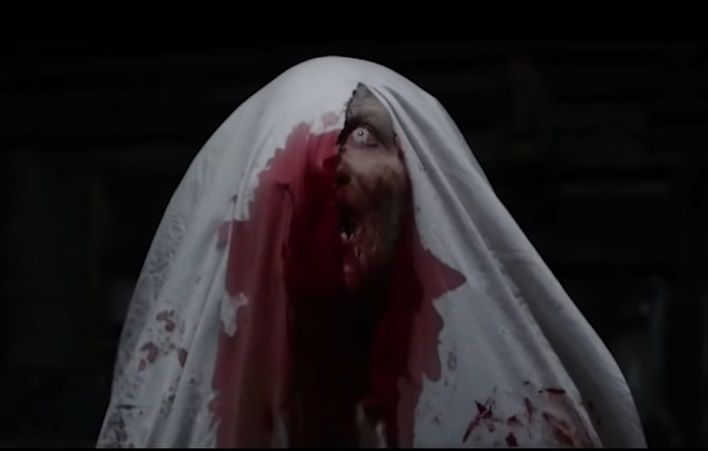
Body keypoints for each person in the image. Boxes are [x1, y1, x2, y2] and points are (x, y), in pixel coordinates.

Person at [97, 56, 647, 448]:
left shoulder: (531, 419)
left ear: (421, 184)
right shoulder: (177, 422)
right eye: (294, 148)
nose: (328, 166)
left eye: (361, 137)